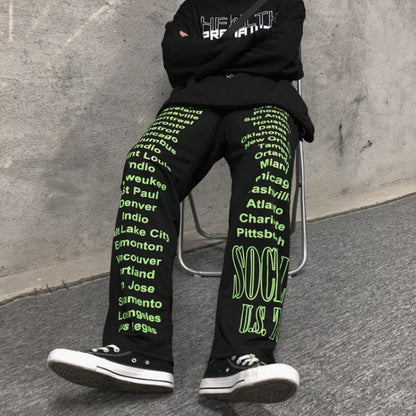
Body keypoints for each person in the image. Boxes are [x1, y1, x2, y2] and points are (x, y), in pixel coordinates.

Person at [47, 0, 315, 403]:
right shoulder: (195, 5)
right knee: (145, 163)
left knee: (268, 167)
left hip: (268, 102)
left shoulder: (283, 2)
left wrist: (206, 53)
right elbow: (176, 61)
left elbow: (281, 57)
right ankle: (138, 348)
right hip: (193, 104)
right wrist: (246, 46)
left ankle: (241, 355)